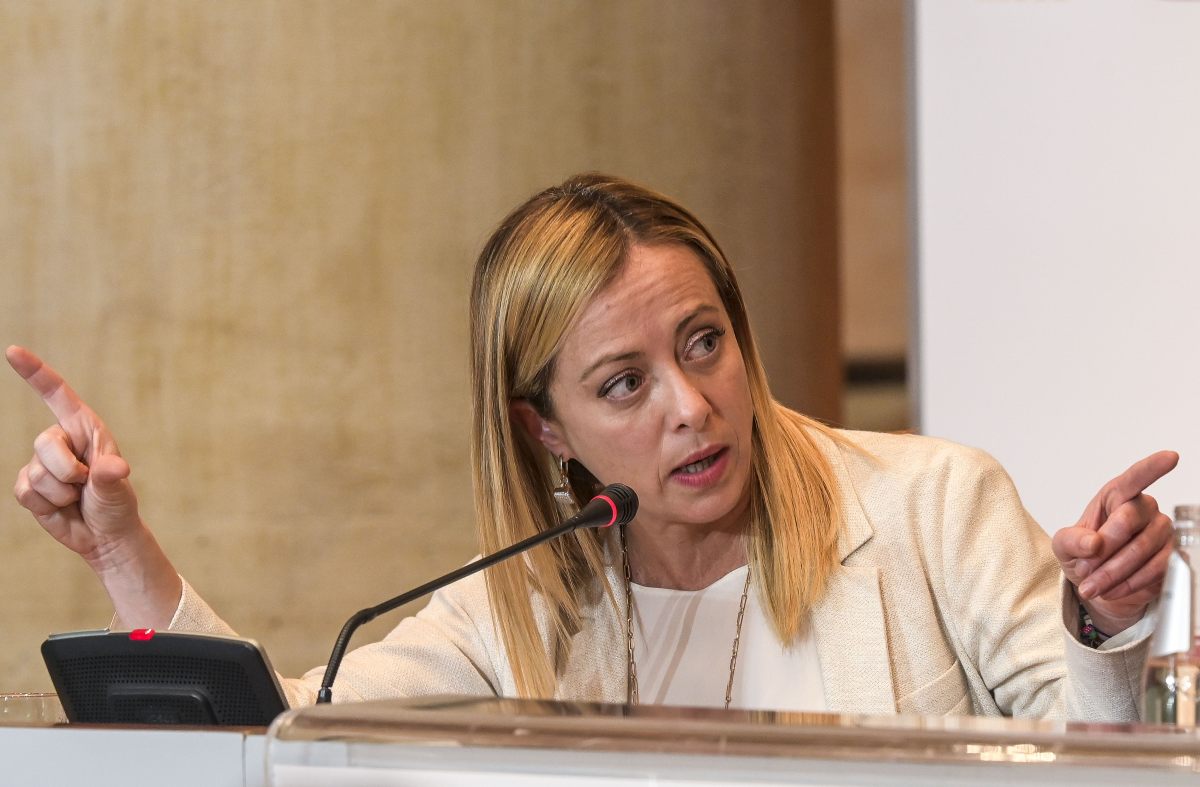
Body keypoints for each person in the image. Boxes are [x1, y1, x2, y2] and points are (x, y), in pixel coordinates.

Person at [8, 173, 1176, 719]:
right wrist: (123, 550)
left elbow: (1095, 761)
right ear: (547, 427)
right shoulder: (517, 605)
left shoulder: (933, 504)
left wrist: (1103, 625)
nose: (692, 405)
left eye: (705, 342)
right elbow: (268, 729)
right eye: (626, 383)